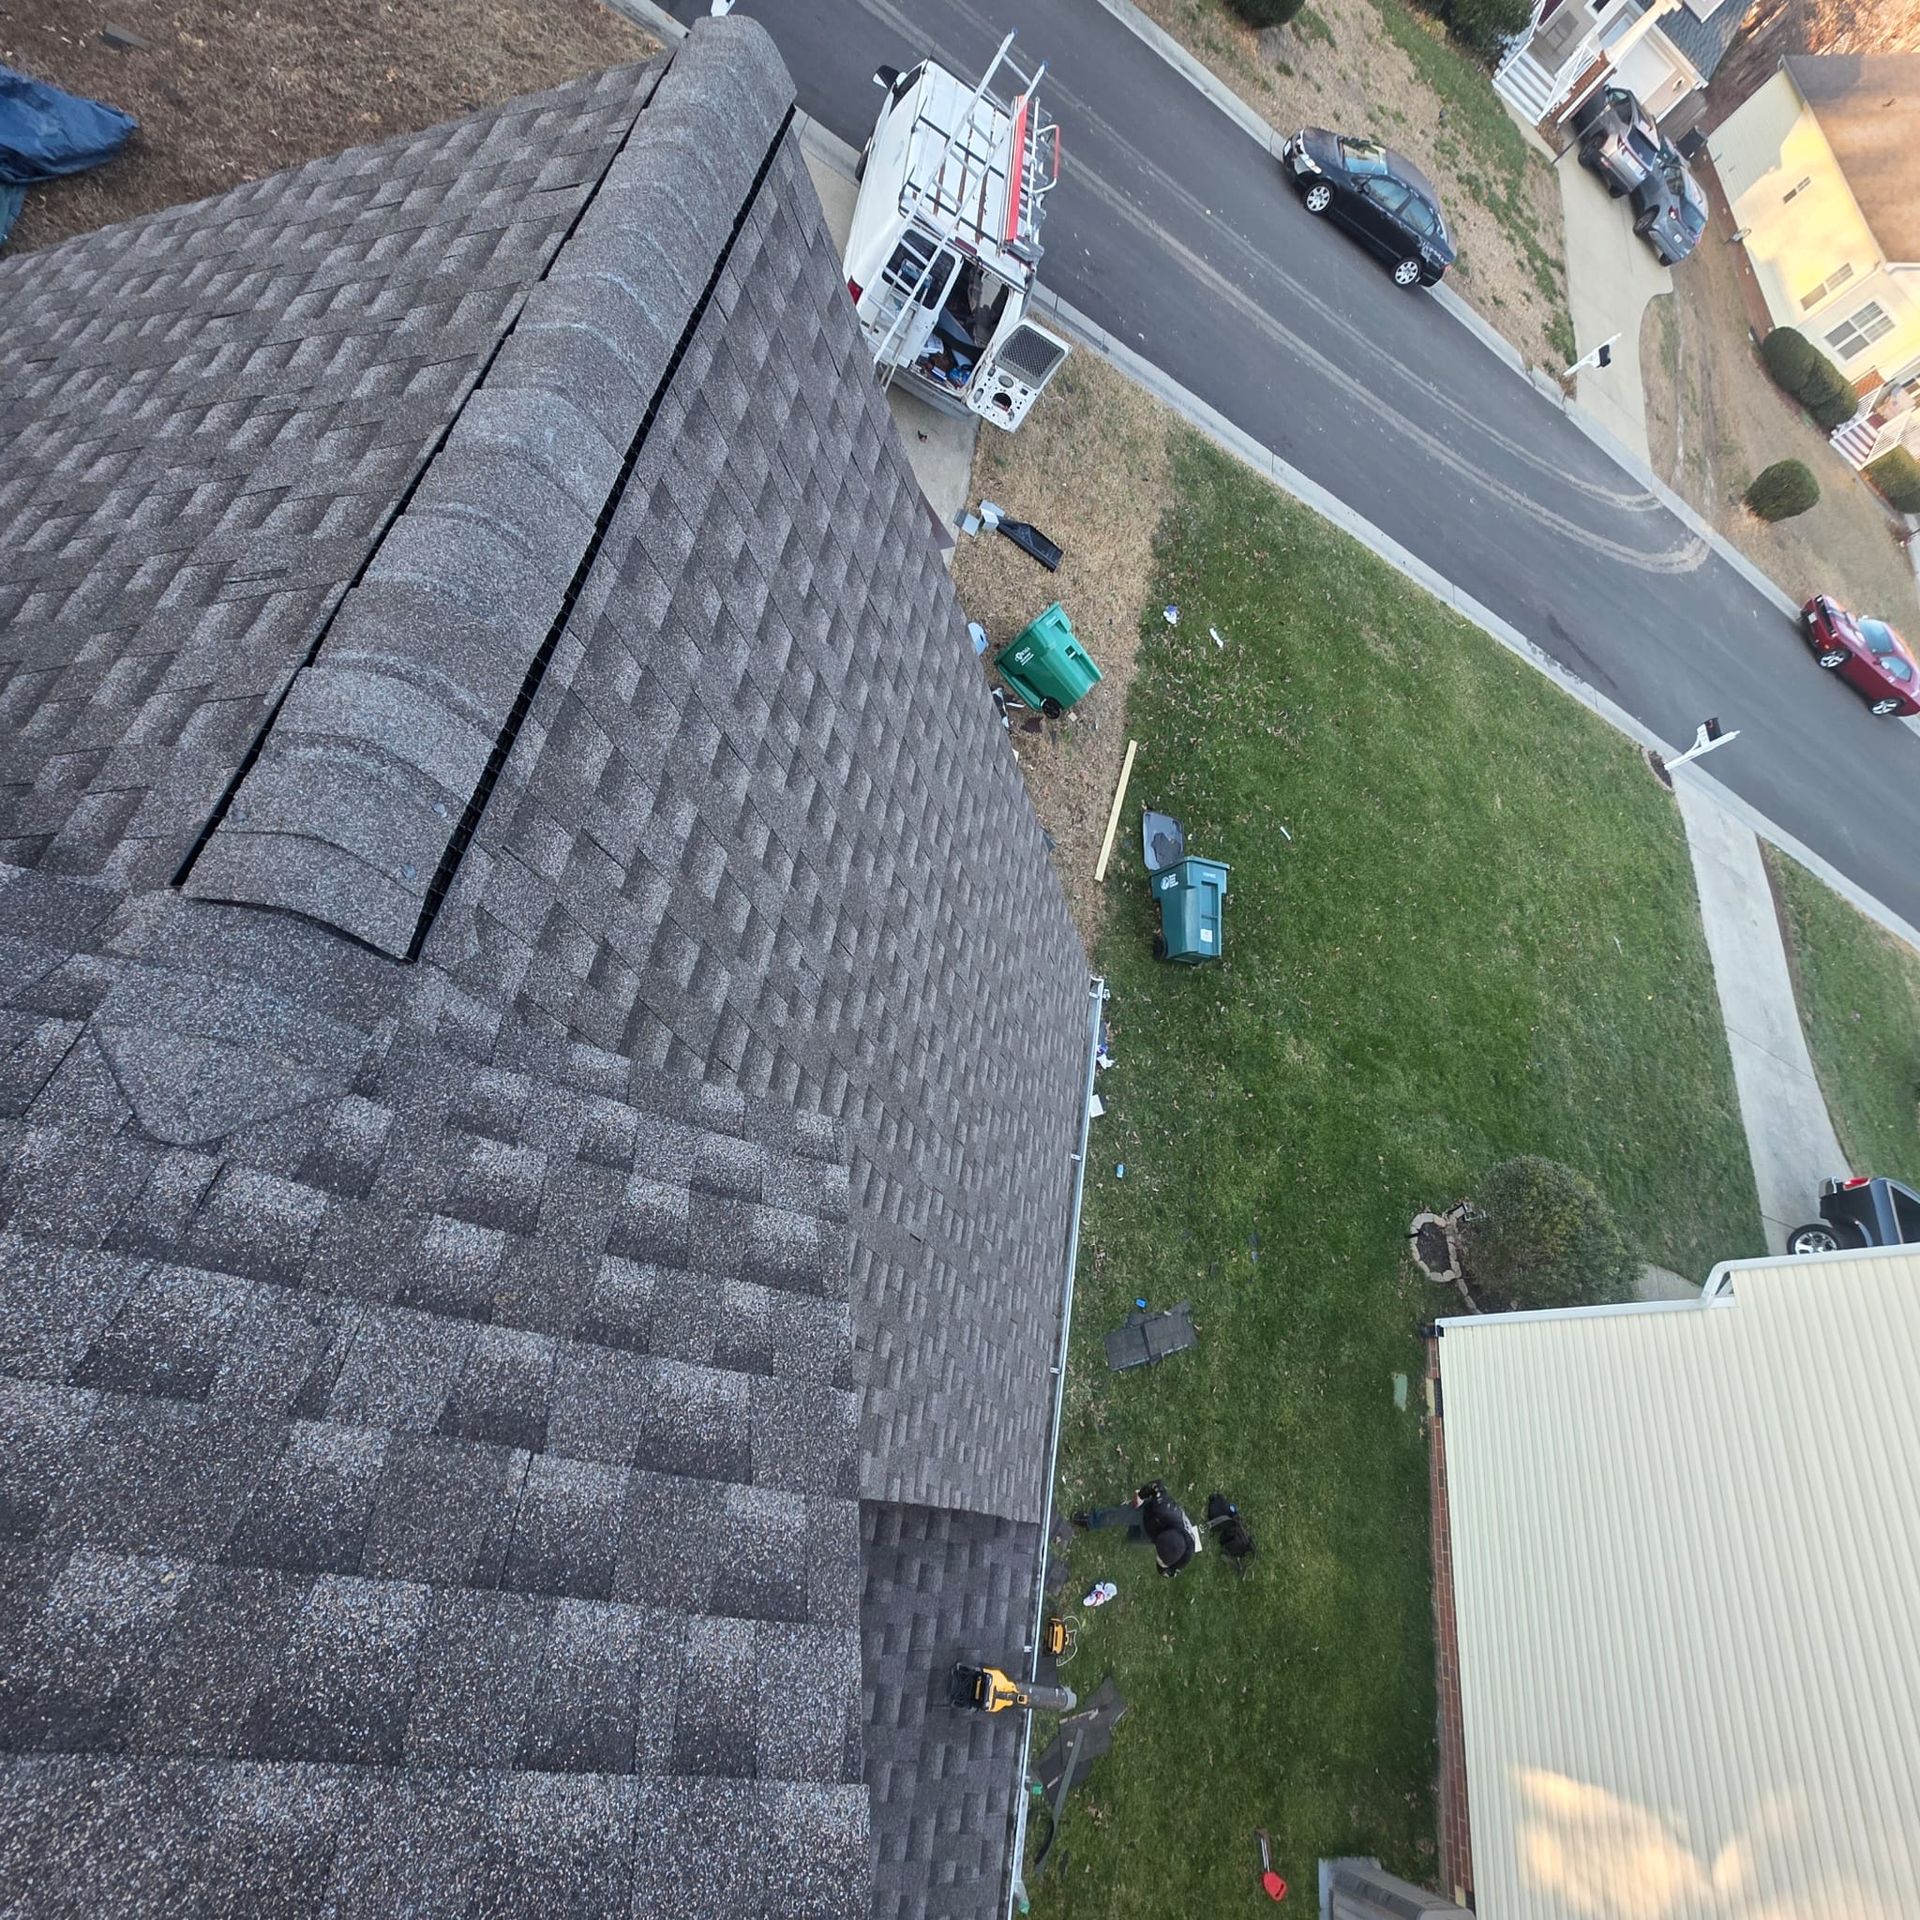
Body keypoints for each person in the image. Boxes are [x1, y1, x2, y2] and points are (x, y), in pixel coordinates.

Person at [1071, 1481, 1203, 1577]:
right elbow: (1157, 1486)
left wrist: (1162, 1567)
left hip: (1151, 1534)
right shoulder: (1165, 1508)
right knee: (1115, 1517)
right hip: (1146, 1513)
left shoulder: (1187, 1554)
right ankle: (1090, 1521)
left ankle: (1133, 1531)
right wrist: (1140, 1496)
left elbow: (1170, 1572)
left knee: (1133, 1538)